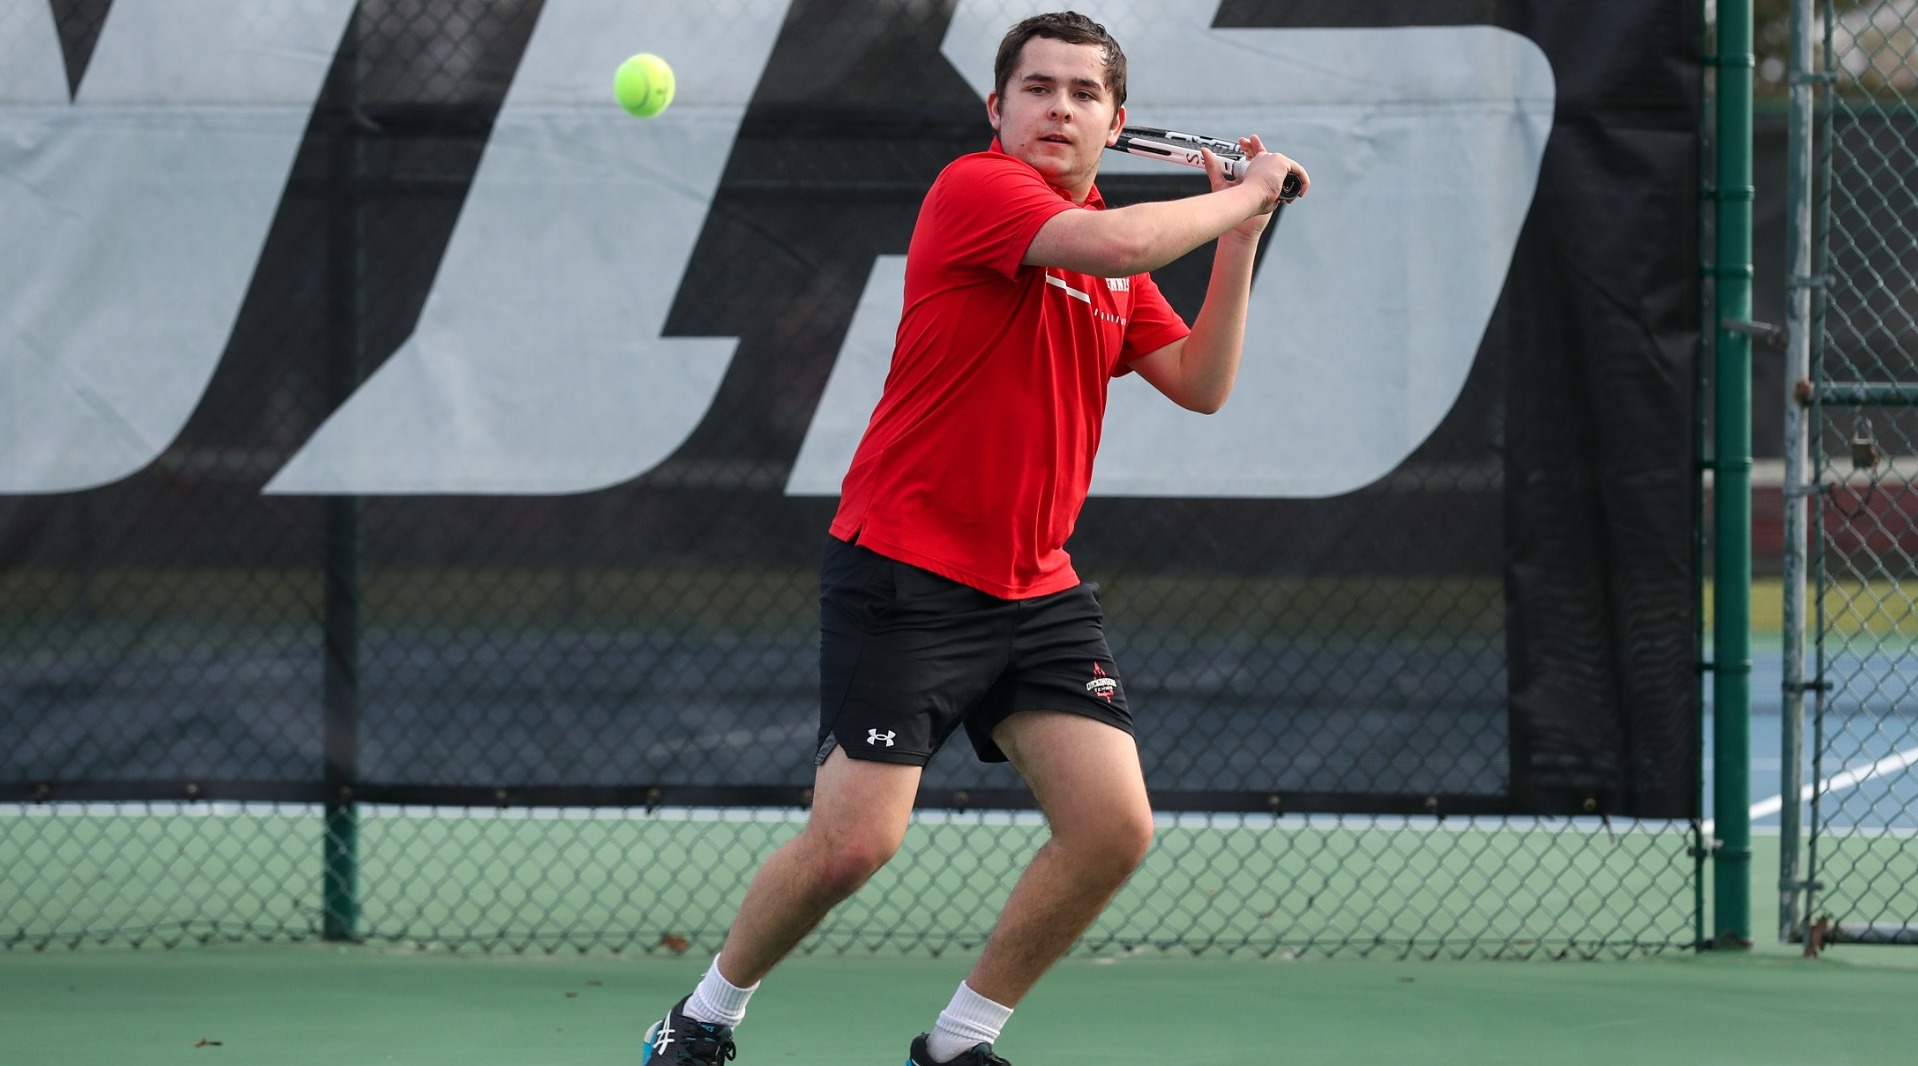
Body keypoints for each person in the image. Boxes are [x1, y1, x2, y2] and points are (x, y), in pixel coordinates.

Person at [640, 11, 1306, 1066]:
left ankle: (958, 1042)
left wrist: (1241, 236)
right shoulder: (979, 192)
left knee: (1112, 828)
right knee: (854, 845)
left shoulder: (1115, 272)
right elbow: (1121, 238)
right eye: (1037, 89)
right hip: (905, 571)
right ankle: (704, 1015)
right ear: (996, 112)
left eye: (1083, 94)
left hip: (1035, 589)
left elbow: (1202, 385)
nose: (1059, 108)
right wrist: (1244, 186)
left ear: (1114, 121)